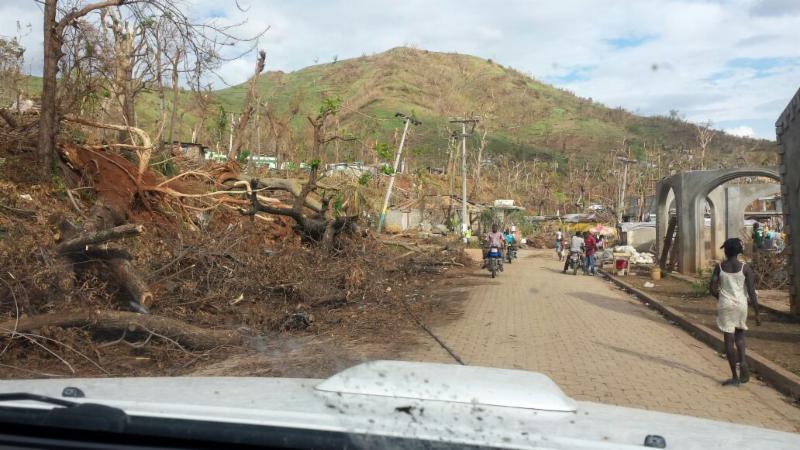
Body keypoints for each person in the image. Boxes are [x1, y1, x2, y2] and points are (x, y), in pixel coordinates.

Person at [709, 238, 761, 386]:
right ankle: (743, 362)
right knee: (739, 336)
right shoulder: (745, 268)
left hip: (725, 305)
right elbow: (751, 292)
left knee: (728, 340)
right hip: (741, 305)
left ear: (725, 251)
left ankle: (734, 377)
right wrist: (757, 313)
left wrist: (720, 297)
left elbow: (711, 287)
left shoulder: (720, 267)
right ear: (739, 251)